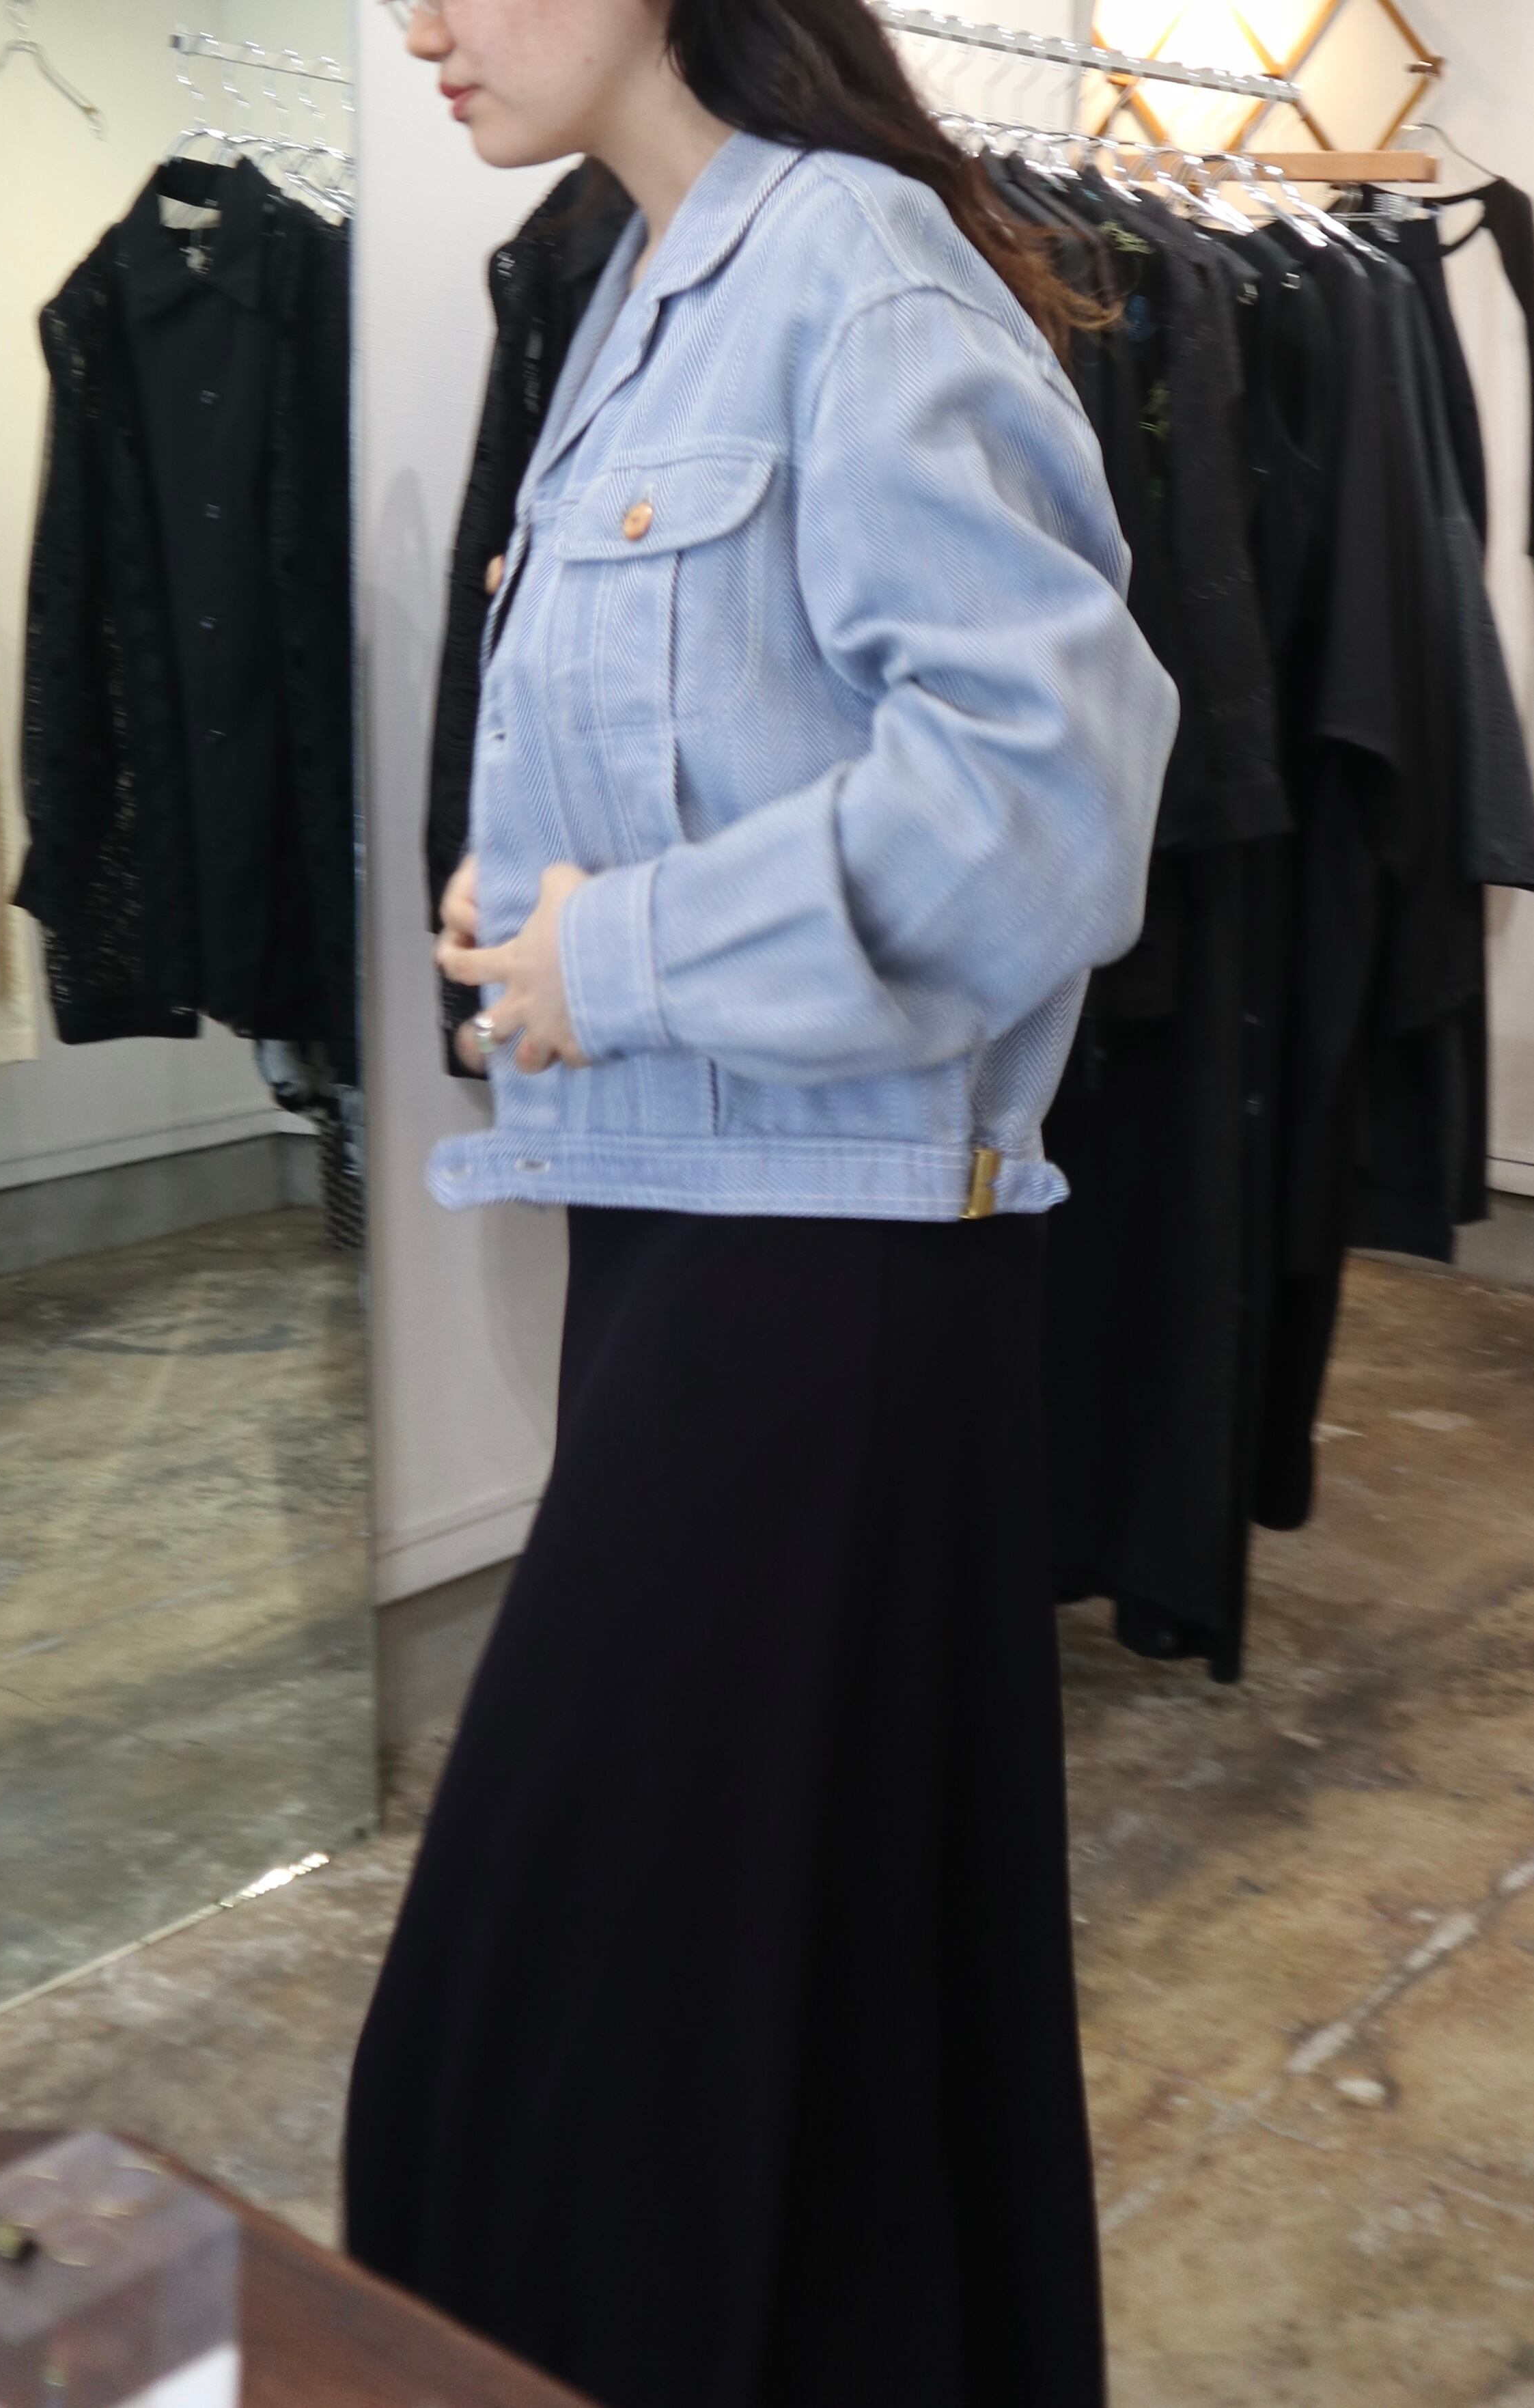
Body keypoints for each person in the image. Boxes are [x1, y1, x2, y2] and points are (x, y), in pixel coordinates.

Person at [345, 3, 1178, 2403]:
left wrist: (620, 950)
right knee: (814, 1988)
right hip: (694, 1228)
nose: (422, 19)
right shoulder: (636, 284)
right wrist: (546, 911)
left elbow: (1045, 807)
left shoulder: (856, 271)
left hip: (835, 1269)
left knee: (519, 2042)